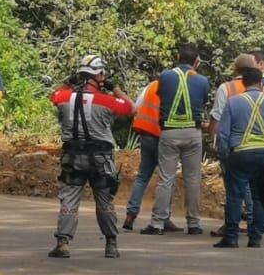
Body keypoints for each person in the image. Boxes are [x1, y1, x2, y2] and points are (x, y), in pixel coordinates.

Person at [49, 55, 133, 259]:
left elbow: (55, 95)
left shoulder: (63, 97)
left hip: (73, 156)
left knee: (69, 198)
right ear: (99, 76)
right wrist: (114, 88)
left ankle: (63, 242)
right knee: (104, 200)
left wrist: (70, 82)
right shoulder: (105, 100)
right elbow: (131, 108)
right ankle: (111, 243)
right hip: (100, 158)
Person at [142, 44, 210, 236]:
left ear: (178, 58)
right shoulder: (202, 81)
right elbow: (203, 101)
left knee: (166, 179)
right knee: (193, 179)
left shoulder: (165, 77)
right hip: (192, 133)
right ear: (196, 61)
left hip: (169, 132)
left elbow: (161, 95)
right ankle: (194, 224)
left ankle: (157, 224)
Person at [213, 66, 264, 248]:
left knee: (235, 196)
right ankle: (256, 237)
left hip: (240, 153)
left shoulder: (233, 102)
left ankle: (231, 237)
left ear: (243, 83)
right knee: (260, 196)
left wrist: (224, 153)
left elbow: (223, 134)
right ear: (261, 83)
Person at [208, 54, 255, 239]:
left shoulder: (226, 88)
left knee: (234, 187)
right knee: (253, 186)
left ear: (235, 69)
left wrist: (212, 139)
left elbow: (217, 116)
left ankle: (231, 225)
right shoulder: (263, 89)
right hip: (258, 145)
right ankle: (254, 223)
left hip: (233, 145)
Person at [122, 70, 165, 231]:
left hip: (146, 135)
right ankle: (163, 218)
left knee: (142, 177)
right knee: (166, 179)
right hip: (163, 137)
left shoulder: (151, 86)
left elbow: (136, 107)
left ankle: (131, 214)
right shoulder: (174, 88)